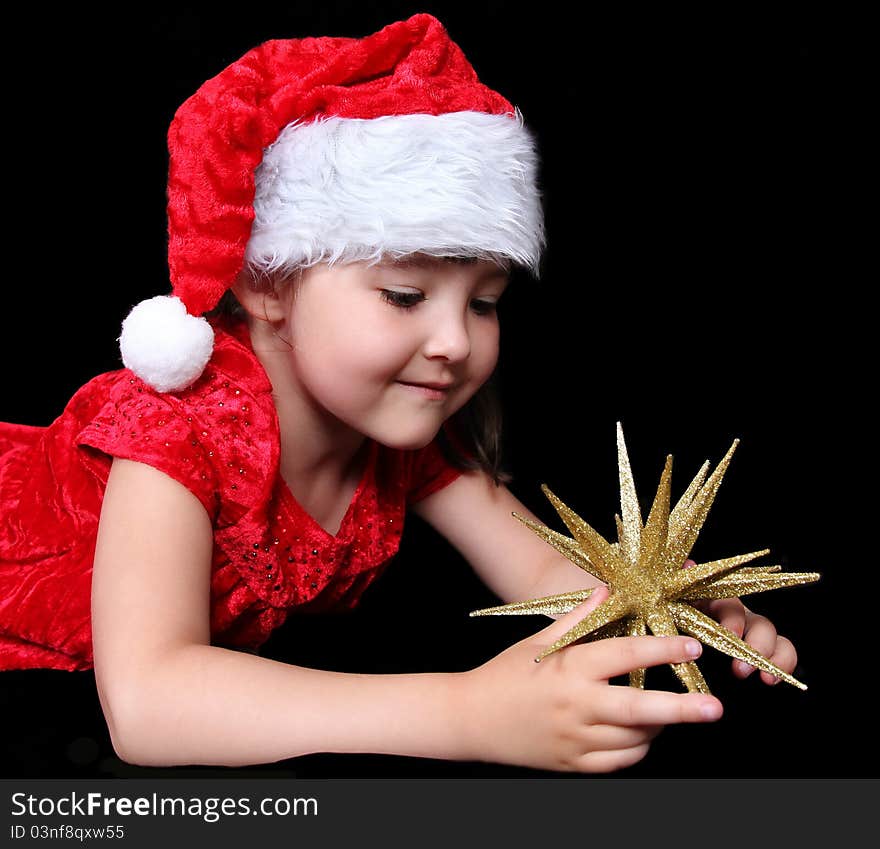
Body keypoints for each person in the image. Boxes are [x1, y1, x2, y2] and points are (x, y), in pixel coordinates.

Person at [0, 13, 797, 774]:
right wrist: (465, 713)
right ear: (265, 283)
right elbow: (149, 704)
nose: (455, 340)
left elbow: (548, 575)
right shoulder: (170, 430)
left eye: (483, 302)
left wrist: (674, 614)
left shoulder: (401, 437)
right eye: (406, 296)